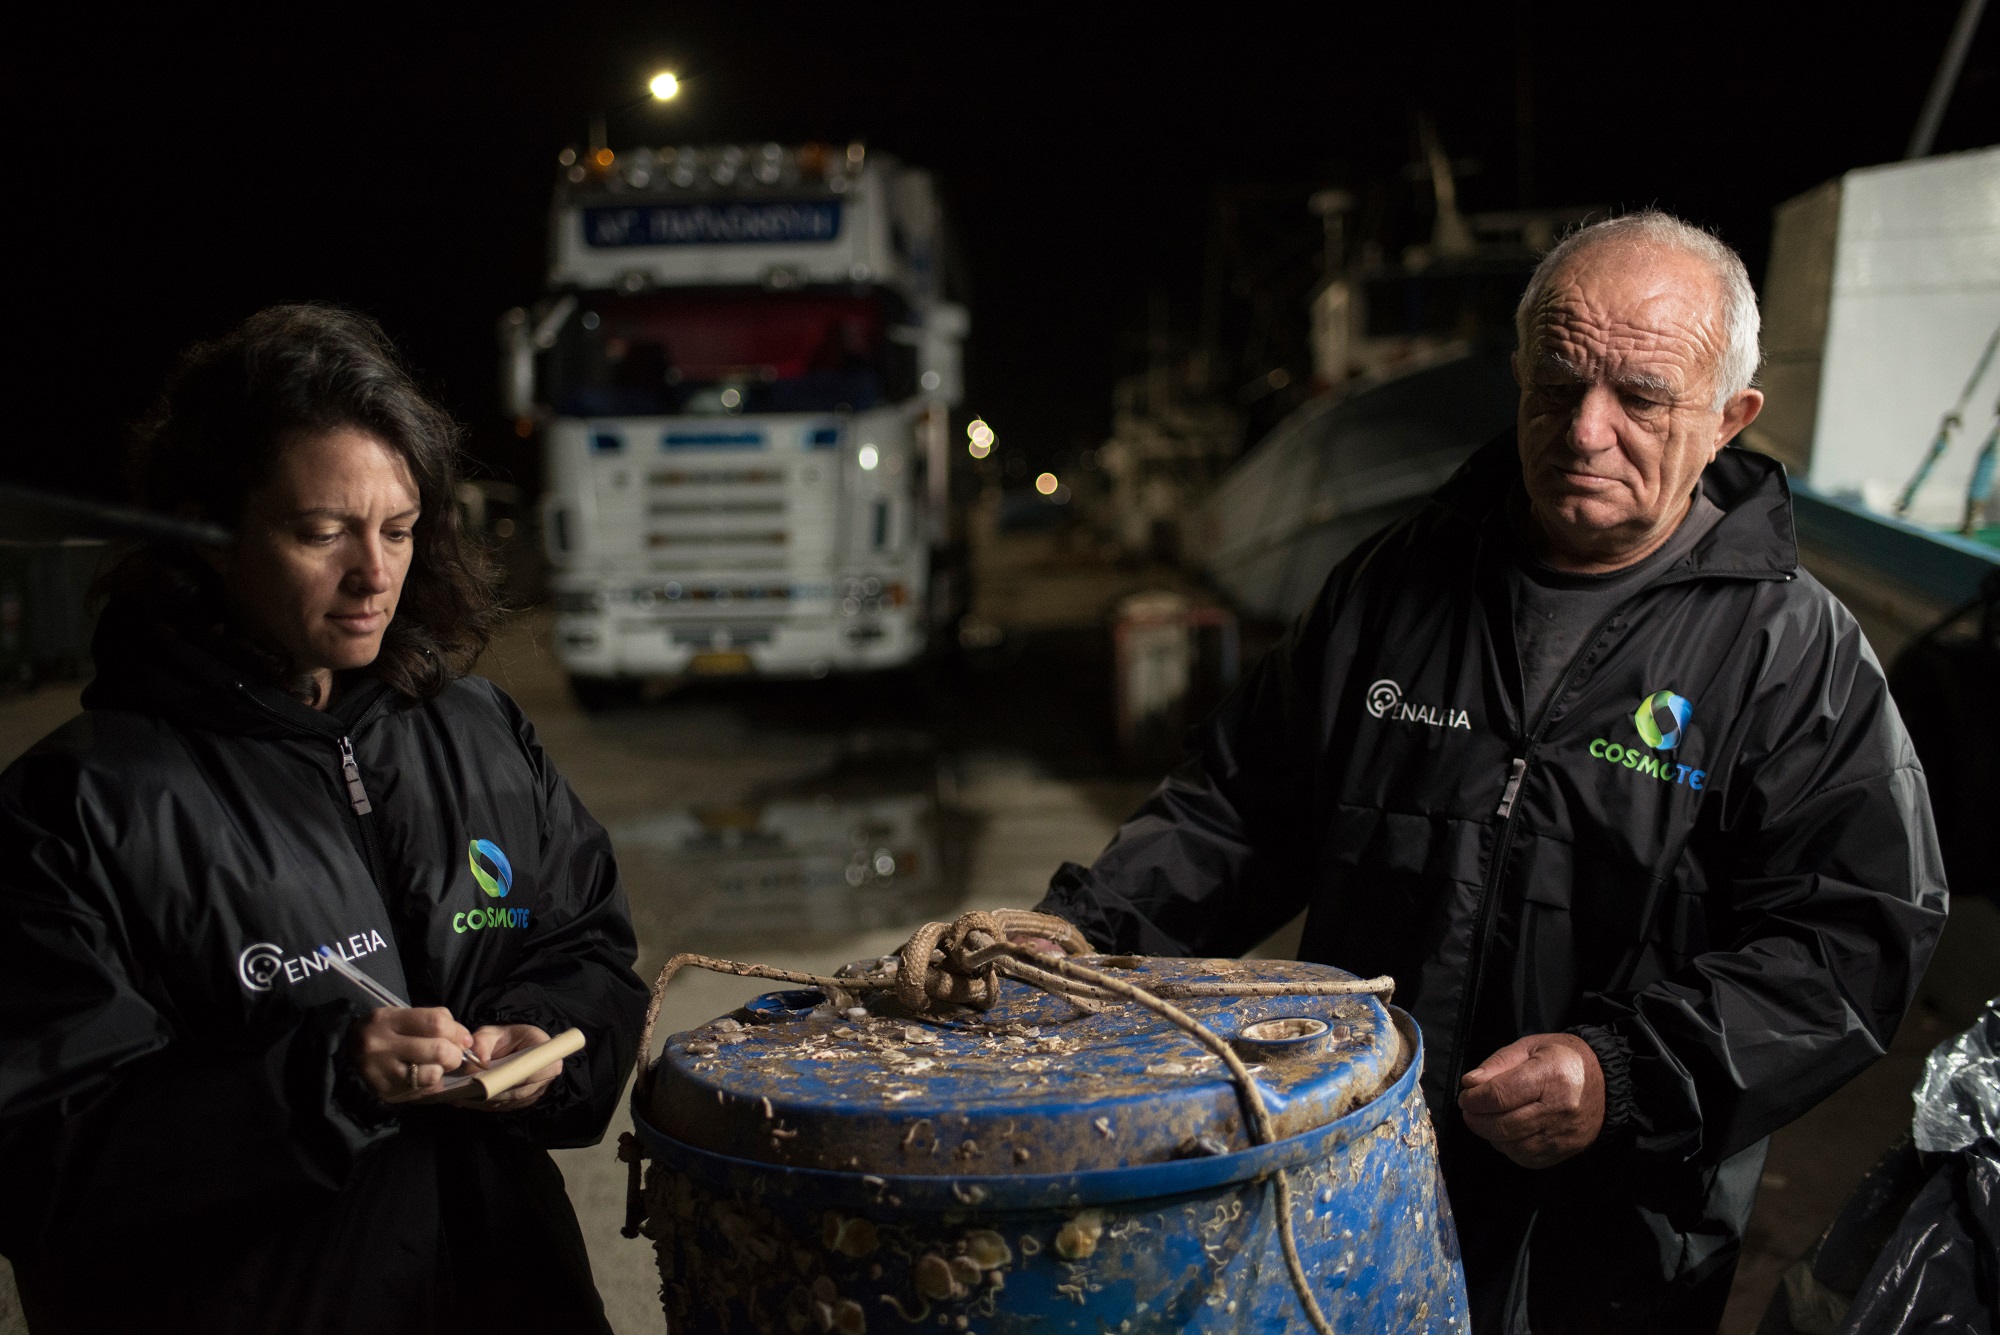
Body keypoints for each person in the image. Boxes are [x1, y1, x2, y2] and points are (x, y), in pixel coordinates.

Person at [1030, 213, 1948, 1334]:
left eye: (1641, 398)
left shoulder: (1792, 658)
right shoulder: (1392, 584)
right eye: (1555, 382)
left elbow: (1852, 938)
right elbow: (1236, 808)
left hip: (1617, 1231)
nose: (1584, 430)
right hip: (1354, 1169)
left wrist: (1624, 1075)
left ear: (1727, 419)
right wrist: (1082, 935)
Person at [0, 305, 647, 1334]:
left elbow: (593, 955)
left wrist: (546, 1047)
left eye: (397, 530)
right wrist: (332, 1079)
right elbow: (47, 1159)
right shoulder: (75, 808)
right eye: (321, 532)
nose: (374, 573)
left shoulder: (477, 731)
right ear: (210, 534)